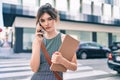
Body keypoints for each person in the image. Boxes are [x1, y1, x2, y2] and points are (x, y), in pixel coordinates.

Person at [30, 3, 77, 80]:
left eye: (49, 19)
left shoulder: (65, 39)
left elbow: (74, 67)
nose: (46, 23)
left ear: (55, 19)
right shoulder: (37, 40)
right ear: (39, 23)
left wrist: (62, 61)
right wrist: (38, 42)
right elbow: (34, 69)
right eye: (42, 20)